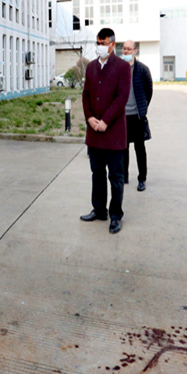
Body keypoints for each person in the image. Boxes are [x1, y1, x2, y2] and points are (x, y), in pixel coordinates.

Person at [80, 28, 131, 234]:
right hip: (94, 132)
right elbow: (85, 95)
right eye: (98, 43)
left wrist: (105, 121)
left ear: (112, 45)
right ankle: (99, 210)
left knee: (116, 177)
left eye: (103, 43)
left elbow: (121, 97)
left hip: (113, 133)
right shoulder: (91, 67)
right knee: (97, 174)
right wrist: (89, 118)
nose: (100, 46)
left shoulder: (122, 67)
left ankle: (115, 215)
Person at [120, 39, 153, 192]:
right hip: (122, 116)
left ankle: (142, 179)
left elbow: (149, 91)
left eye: (129, 49)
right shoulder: (119, 69)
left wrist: (143, 107)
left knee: (140, 149)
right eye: (124, 49)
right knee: (123, 148)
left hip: (137, 117)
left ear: (135, 51)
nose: (126, 51)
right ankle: (124, 176)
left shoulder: (142, 69)